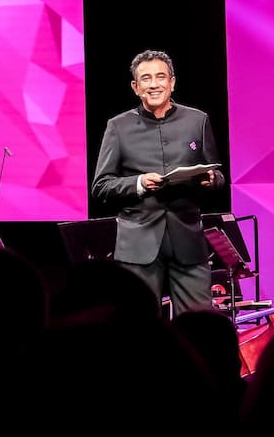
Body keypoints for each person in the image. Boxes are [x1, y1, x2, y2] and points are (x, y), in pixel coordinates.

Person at [91, 49, 227, 317]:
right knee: (138, 327)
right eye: (146, 79)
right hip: (138, 244)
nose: (154, 84)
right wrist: (139, 183)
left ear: (172, 82)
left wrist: (211, 180)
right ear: (135, 86)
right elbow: (101, 186)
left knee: (199, 325)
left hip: (188, 240)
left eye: (160, 77)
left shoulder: (197, 120)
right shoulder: (118, 127)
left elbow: (219, 176)